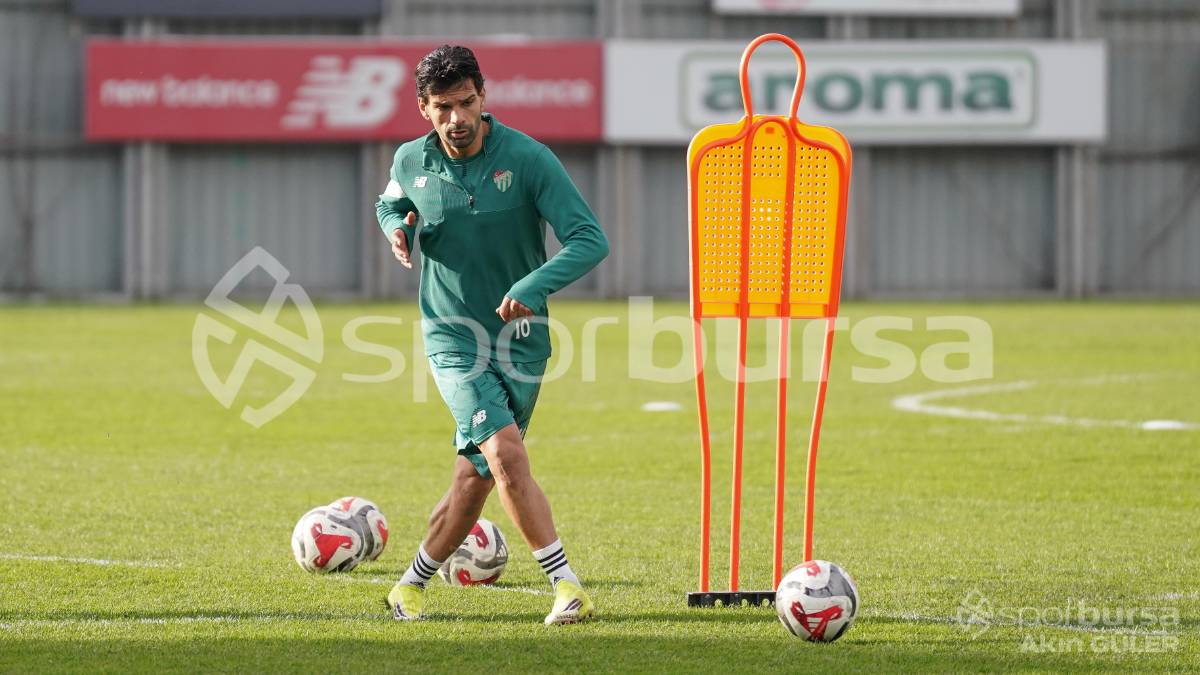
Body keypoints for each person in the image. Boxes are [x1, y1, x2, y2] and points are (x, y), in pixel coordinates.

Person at [375, 45, 608, 625]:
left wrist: (533, 284)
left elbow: (589, 238)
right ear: (423, 109)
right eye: (443, 107)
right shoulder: (411, 160)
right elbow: (390, 202)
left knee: (474, 477)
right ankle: (567, 587)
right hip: (451, 337)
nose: (457, 118)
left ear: (484, 97)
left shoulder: (529, 160)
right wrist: (395, 230)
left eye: (466, 102)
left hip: (523, 340)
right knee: (504, 453)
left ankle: (408, 587)